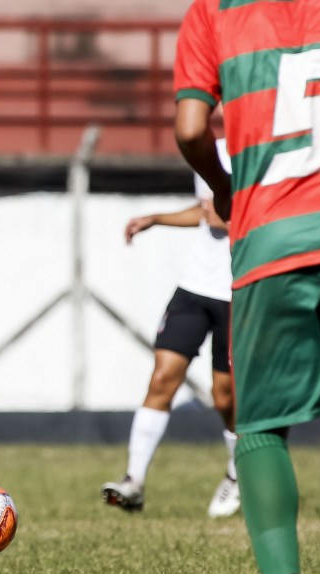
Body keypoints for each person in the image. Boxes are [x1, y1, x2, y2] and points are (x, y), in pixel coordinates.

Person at [175, 1, 320, 574]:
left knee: (259, 426)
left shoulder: (215, 11)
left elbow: (193, 127)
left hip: (270, 242)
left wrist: (224, 189)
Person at [102, 142, 239, 518]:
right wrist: (156, 218)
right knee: (162, 377)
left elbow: (251, 216)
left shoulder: (263, 150)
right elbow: (205, 210)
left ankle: (236, 470)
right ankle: (134, 481)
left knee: (225, 396)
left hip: (237, 290)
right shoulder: (210, 150)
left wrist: (228, 216)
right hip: (194, 288)